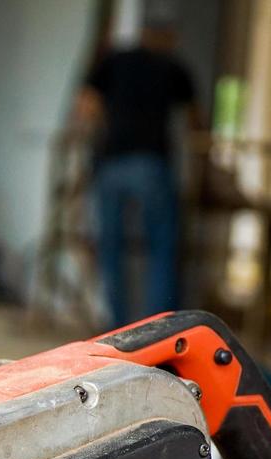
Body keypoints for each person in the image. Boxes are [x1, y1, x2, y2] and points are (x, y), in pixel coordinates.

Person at [78, 19, 202, 328]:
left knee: (111, 247)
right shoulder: (173, 67)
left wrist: (105, 131)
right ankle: (156, 328)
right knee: (161, 247)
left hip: (111, 163)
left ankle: (116, 325)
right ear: (167, 36)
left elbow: (87, 107)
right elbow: (195, 120)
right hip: (150, 163)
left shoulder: (115, 60)